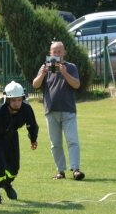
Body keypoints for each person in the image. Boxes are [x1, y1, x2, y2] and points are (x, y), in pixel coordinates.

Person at [32, 41, 84, 180]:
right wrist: (42, 74)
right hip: (51, 111)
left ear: (64, 53)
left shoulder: (71, 67)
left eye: (59, 51)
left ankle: (76, 169)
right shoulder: (46, 68)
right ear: (50, 53)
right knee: (55, 143)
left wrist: (65, 73)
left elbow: (77, 84)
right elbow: (35, 84)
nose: (56, 54)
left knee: (72, 140)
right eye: (54, 52)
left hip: (68, 110)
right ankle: (60, 171)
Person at [0, 81, 39, 205]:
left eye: (19, 100)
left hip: (11, 136)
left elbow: (32, 125)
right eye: (13, 100)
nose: (17, 103)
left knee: (14, 169)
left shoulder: (26, 108)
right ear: (6, 99)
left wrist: (33, 139)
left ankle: (6, 184)